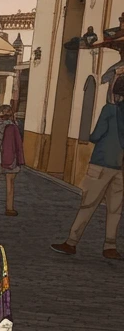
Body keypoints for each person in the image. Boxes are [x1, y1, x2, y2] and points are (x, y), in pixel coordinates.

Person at [52, 75, 124, 260]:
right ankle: (110, 246)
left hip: (101, 163)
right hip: (121, 167)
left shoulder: (110, 110)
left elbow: (96, 135)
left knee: (88, 204)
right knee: (115, 208)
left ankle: (71, 242)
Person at [0, 104, 25, 217]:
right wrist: (20, 159)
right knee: (10, 184)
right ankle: (9, 208)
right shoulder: (14, 127)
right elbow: (19, 145)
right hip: (11, 159)